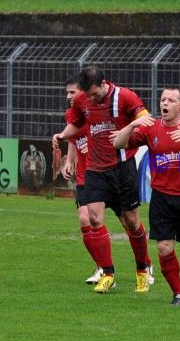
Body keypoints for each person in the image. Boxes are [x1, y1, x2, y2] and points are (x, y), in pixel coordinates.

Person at [113, 87, 180, 306]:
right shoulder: (151, 128)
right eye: (163, 99)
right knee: (164, 247)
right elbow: (118, 144)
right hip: (161, 199)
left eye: (171, 100)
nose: (164, 103)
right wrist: (133, 124)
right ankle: (178, 294)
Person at [52, 65, 153, 294]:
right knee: (94, 218)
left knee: (132, 222)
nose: (91, 99)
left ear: (104, 83)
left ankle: (142, 270)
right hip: (95, 169)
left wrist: (127, 130)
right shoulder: (82, 100)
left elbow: (147, 121)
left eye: (95, 94)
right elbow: (77, 124)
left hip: (122, 168)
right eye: (87, 95)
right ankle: (108, 274)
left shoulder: (125, 96)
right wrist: (62, 135)